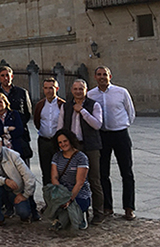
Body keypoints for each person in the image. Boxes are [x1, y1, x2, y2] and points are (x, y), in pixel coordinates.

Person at [87, 66, 137, 221]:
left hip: (120, 134)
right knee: (103, 173)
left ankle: (129, 207)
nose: (102, 77)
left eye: (105, 74)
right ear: (95, 77)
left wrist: (122, 125)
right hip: (102, 136)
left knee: (126, 171)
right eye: (99, 74)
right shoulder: (91, 94)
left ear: (110, 76)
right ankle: (107, 206)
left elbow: (131, 112)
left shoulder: (121, 92)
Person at [57, 79, 105, 225]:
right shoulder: (66, 106)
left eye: (81, 89)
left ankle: (98, 212)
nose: (78, 91)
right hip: (73, 148)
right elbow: (61, 127)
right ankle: (79, 211)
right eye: (75, 89)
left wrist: (82, 111)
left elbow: (97, 124)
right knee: (73, 180)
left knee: (94, 179)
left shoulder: (94, 105)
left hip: (90, 146)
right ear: (72, 90)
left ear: (86, 90)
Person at [0, 133, 39, 227]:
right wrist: (4, 181)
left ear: (1, 143)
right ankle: (0, 217)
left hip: (17, 191)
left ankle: (26, 209)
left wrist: (25, 195)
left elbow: (29, 176)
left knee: (24, 213)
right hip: (2, 188)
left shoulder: (13, 155)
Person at [0, 66, 33, 165]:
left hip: (20, 137)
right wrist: (6, 129)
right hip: (0, 140)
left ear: (12, 76)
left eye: (7, 75)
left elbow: (27, 113)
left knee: (23, 170)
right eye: (2, 76)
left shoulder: (22, 92)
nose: (5, 78)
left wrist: (18, 126)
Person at [50, 128, 92, 230]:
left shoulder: (81, 158)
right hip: (63, 190)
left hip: (78, 192)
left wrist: (69, 199)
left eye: (65, 141)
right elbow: (54, 177)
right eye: (60, 142)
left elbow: (80, 182)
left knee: (72, 212)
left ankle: (81, 216)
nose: (63, 144)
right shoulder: (57, 156)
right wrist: (60, 194)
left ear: (70, 140)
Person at [33, 78, 65, 185]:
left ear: (57, 88)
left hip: (59, 143)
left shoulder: (62, 105)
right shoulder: (40, 105)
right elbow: (37, 122)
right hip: (44, 142)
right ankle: (48, 198)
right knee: (46, 172)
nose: (48, 91)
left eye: (51, 88)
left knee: (60, 171)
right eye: (46, 88)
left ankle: (61, 198)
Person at [0, 92, 28, 163]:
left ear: (5, 103)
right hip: (0, 150)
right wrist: (7, 129)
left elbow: (19, 130)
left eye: (0, 102)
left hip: (16, 148)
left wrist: (3, 134)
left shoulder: (14, 114)